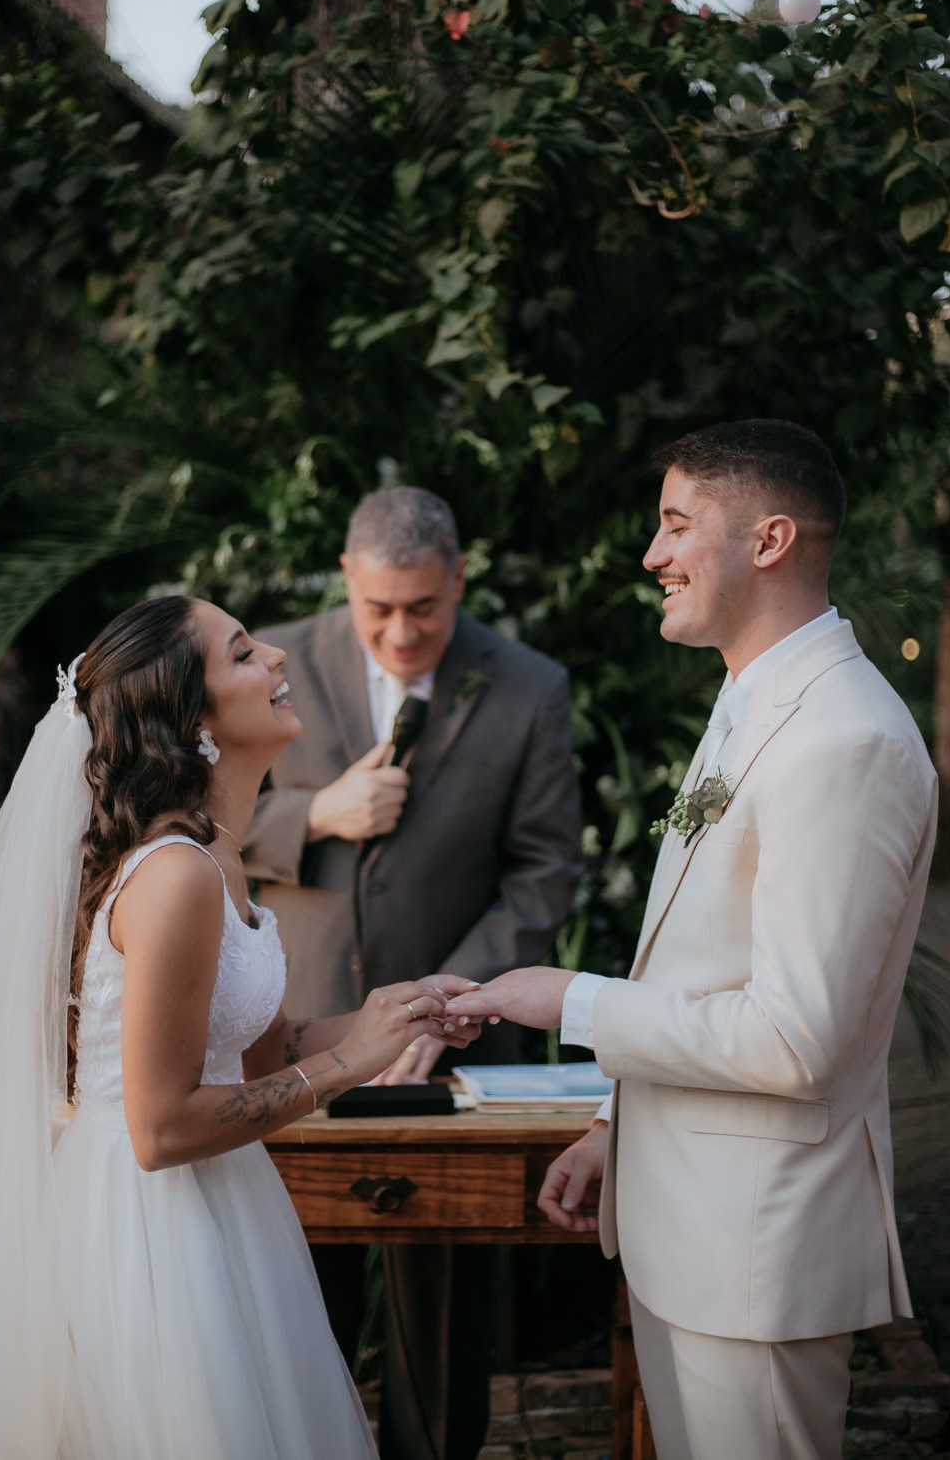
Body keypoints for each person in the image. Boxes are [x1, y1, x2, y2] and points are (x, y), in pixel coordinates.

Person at [446, 420, 938, 1460]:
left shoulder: (841, 739)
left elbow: (795, 1039)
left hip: (756, 1251)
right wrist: (624, 1132)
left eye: (676, 525)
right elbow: (711, 964)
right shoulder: (751, 696)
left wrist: (569, 1002)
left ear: (768, 541)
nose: (651, 555)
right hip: (694, 1223)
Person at [0, 593, 480, 1460]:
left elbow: (262, 1051)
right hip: (148, 1229)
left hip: (225, 1204)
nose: (278, 660)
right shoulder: (173, 877)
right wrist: (348, 1066)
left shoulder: (215, 854)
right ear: (192, 716)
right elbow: (160, 1127)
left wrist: (387, 1017)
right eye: (245, 654)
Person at [243, 485, 582, 1460]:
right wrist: (313, 815)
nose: (400, 633)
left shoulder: (528, 685)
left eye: (424, 609)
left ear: (459, 579)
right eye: (378, 608)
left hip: (455, 1048)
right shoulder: (269, 661)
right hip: (289, 1034)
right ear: (346, 579)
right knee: (293, 1292)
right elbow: (196, 822)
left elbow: (544, 870)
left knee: (442, 1317)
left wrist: (443, 1005)